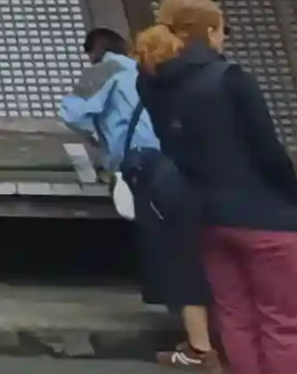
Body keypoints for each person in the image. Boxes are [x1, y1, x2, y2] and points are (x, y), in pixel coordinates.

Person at [142, 0, 297, 374]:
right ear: (208, 31)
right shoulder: (230, 78)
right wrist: (289, 197)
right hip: (264, 214)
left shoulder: (153, 82)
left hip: (205, 214)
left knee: (235, 317)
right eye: (222, 29)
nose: (224, 37)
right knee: (282, 323)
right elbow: (268, 150)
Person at [65, 26, 215, 369]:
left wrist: (98, 138)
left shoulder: (104, 69)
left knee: (168, 247)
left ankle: (198, 343)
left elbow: (73, 113)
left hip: (142, 163)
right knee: (194, 245)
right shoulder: (153, 73)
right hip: (179, 164)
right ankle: (205, 334)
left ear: (94, 51)